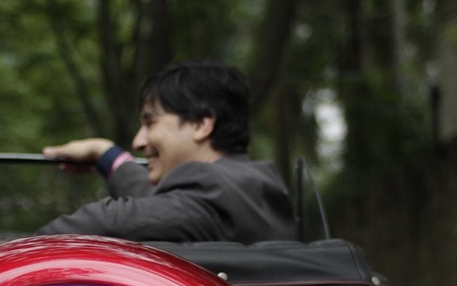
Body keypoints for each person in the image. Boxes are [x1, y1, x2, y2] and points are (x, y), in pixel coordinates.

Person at [35, 60, 295, 243]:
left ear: (200, 124)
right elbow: (158, 203)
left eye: (150, 123)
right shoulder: (252, 185)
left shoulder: (213, 194)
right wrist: (105, 153)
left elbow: (110, 220)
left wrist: (5, 253)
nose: (138, 141)